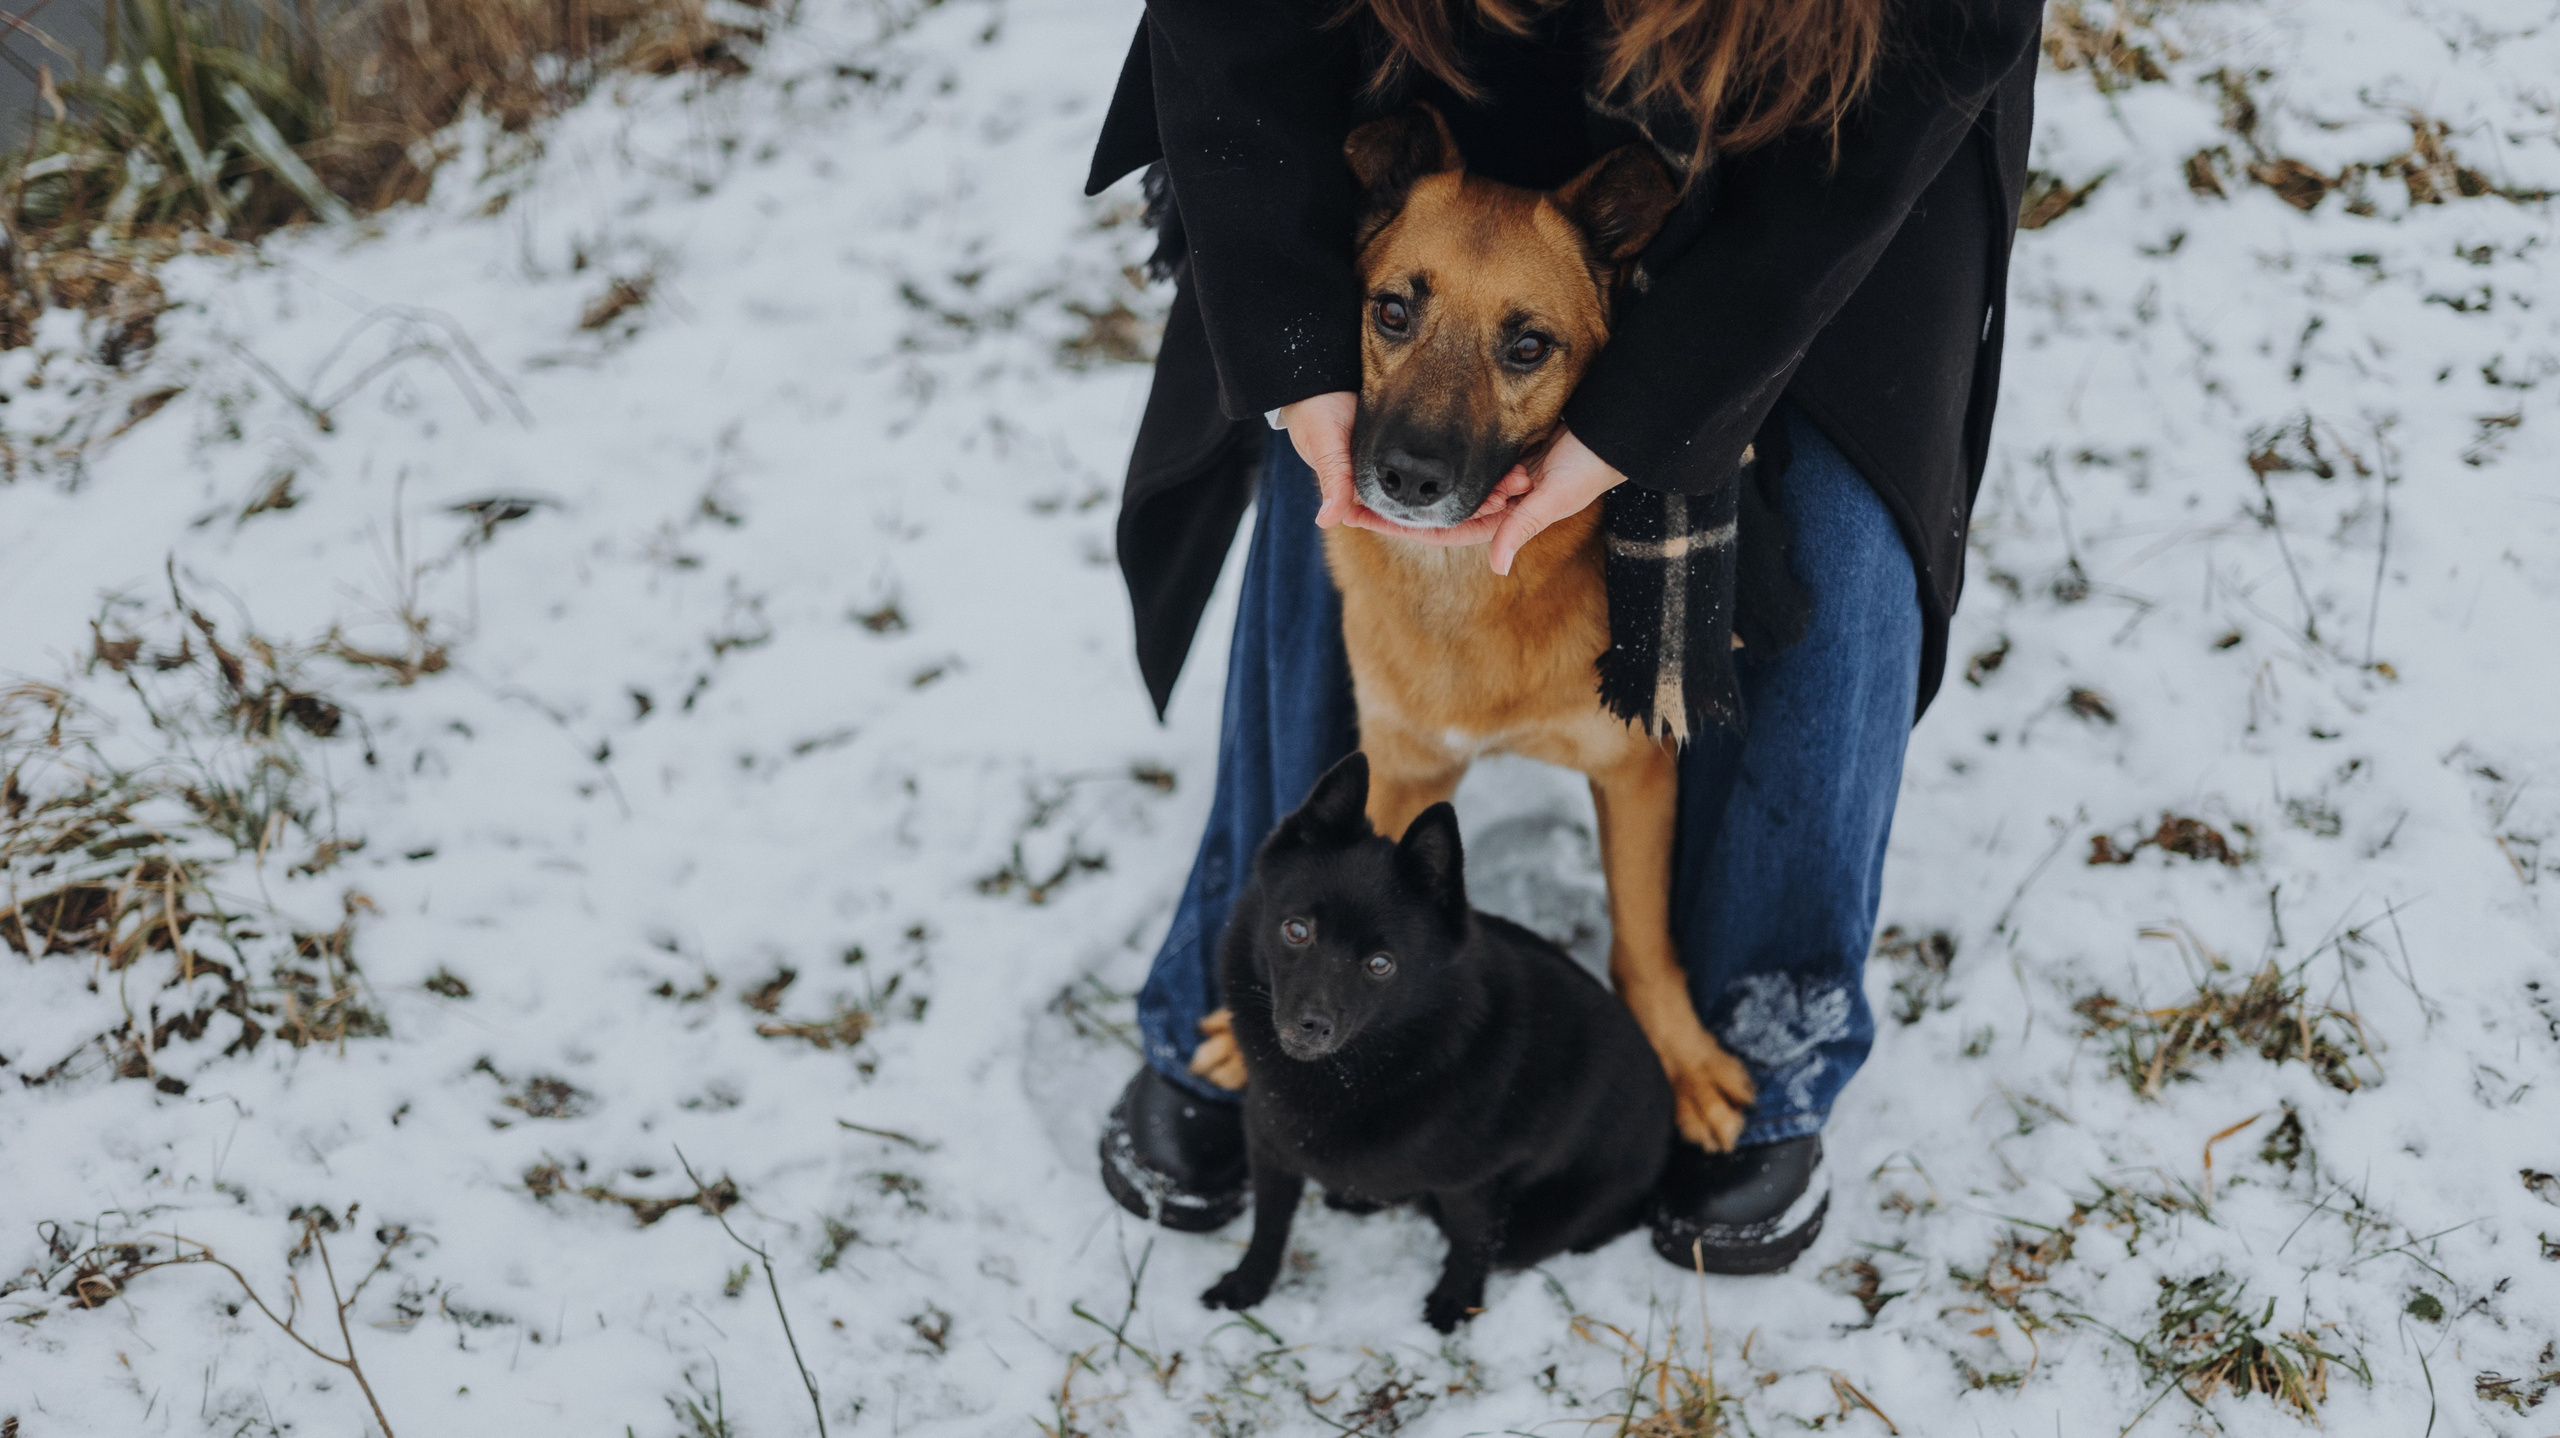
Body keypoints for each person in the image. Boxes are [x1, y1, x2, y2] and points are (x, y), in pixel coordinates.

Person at [1086, 0, 2044, 1274]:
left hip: (1822, 121)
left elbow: (1935, 53)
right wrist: (1300, 351)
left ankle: (1763, 1029)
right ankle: (1250, 970)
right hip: (1448, 56)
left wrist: (1640, 424)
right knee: (1308, 508)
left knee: (1834, 538)